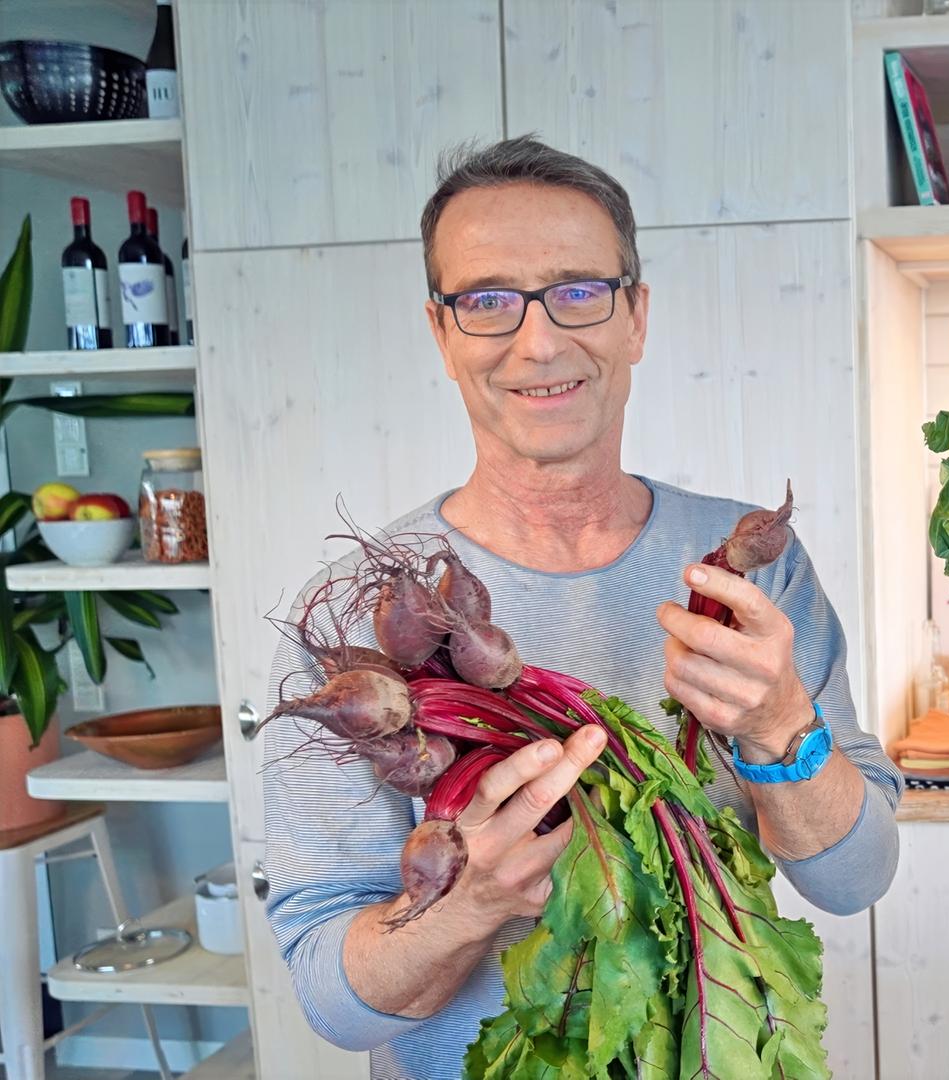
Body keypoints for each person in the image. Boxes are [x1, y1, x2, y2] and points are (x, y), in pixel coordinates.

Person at [261, 136, 902, 1078]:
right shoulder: (364, 617)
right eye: (486, 301)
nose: (538, 340)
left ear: (635, 317)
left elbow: (856, 880)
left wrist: (781, 728)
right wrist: (475, 901)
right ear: (442, 335)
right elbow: (330, 998)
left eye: (577, 290)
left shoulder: (748, 569)